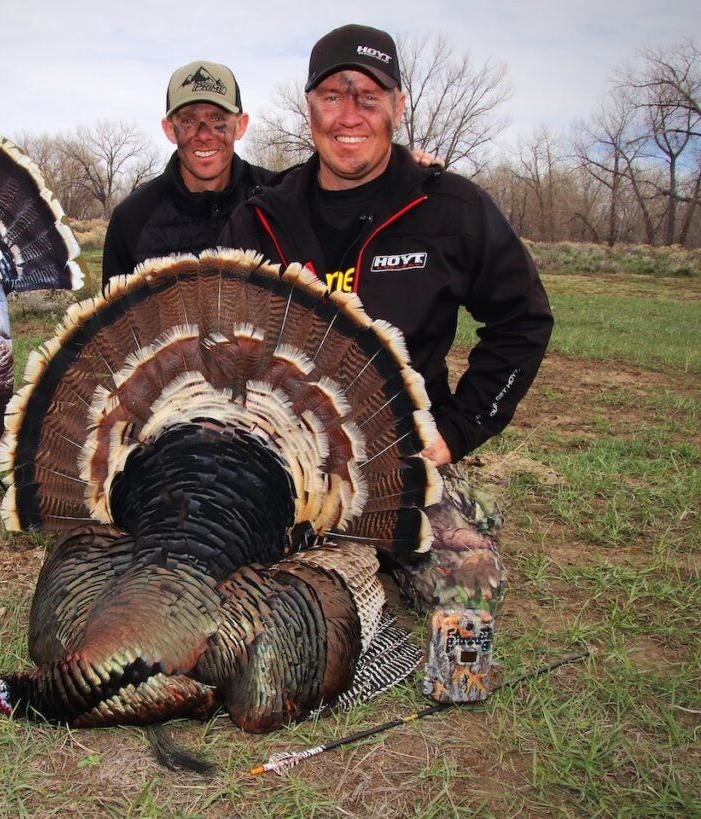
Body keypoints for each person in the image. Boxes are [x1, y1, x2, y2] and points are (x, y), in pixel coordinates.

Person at [220, 24, 554, 702]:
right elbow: (219, 342)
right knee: (215, 577)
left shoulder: (449, 207)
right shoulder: (262, 216)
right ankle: (348, 573)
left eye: (368, 98)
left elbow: (523, 321)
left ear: (398, 107)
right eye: (332, 96)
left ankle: (453, 672)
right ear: (309, 107)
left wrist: (455, 431)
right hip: (286, 458)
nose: (349, 115)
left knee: (469, 572)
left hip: (402, 458)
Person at [101, 60, 274, 286]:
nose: (203, 135)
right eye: (188, 121)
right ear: (169, 130)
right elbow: (115, 309)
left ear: (240, 125)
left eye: (217, 119)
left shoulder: (277, 201)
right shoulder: (132, 219)